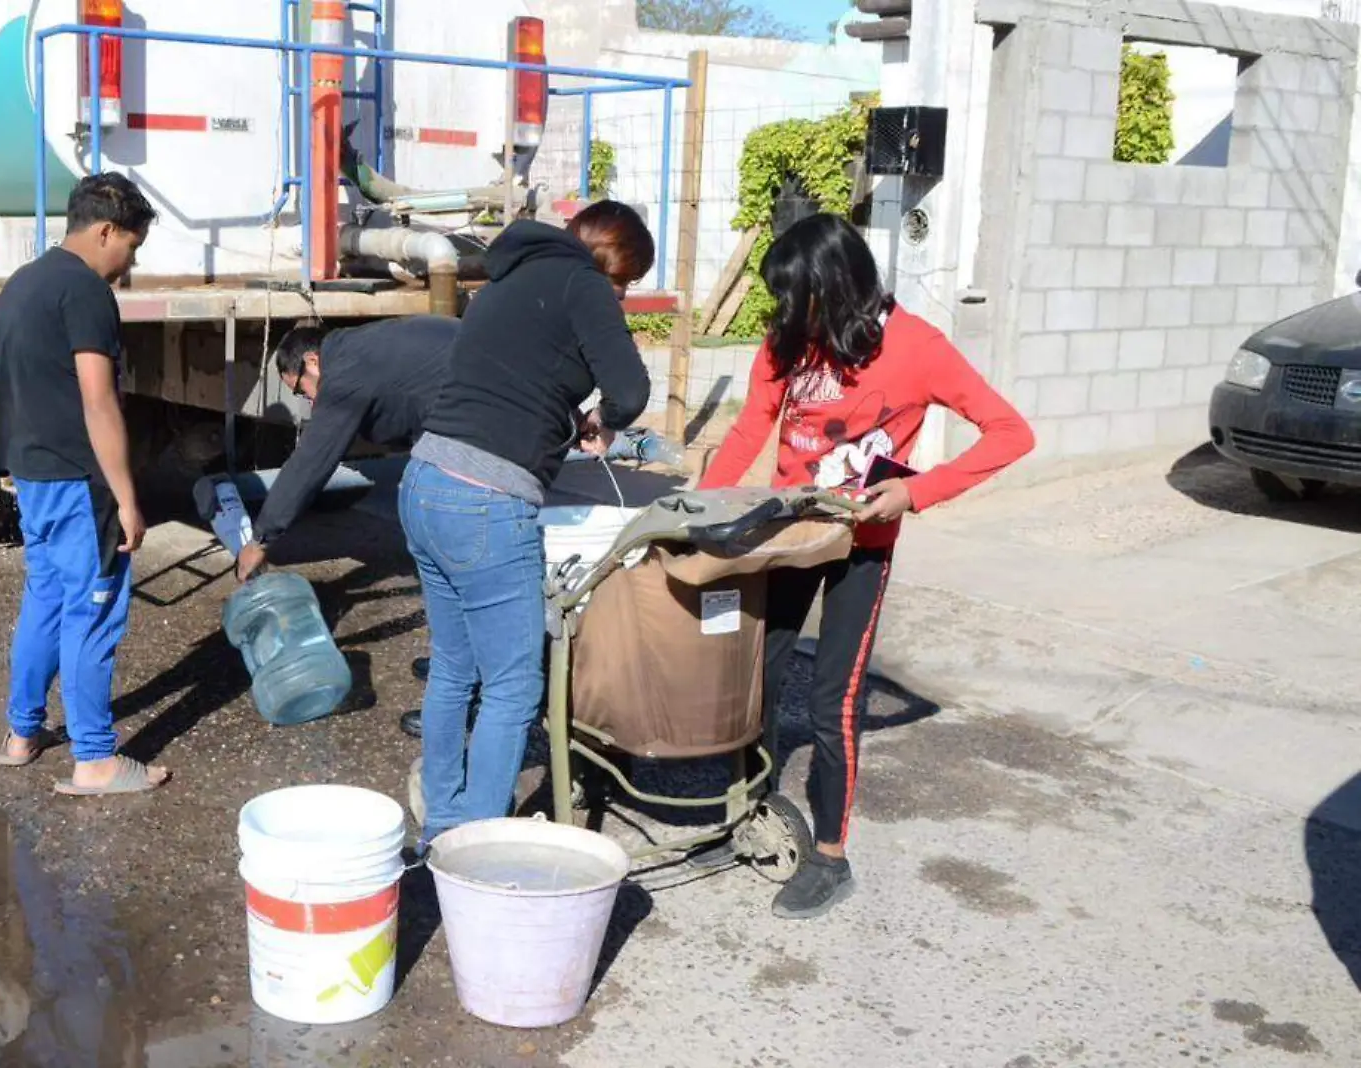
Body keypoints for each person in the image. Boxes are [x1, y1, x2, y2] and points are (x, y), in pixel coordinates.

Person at [692, 214, 1035, 919]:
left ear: (835, 286)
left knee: (832, 701)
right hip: (788, 534)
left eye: (797, 297)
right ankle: (749, 814)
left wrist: (916, 491)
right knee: (756, 674)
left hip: (861, 547)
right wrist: (702, 513)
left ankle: (829, 857)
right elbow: (751, 427)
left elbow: (1011, 432)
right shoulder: (791, 337)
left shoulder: (918, 347)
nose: (786, 314)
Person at [401, 200, 654, 847]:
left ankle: (443, 815)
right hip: (486, 500)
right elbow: (629, 391)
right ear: (613, 262)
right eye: (626, 283)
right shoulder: (585, 284)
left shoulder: (505, 280)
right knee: (514, 685)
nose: (621, 297)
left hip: (423, 481)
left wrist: (570, 423)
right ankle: (474, 843)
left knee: (456, 668)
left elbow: (512, 387)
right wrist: (606, 419)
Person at [0, 172, 170, 797]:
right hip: (78, 481)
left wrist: (7, 460)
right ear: (106, 231)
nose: (129, 263)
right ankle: (94, 758)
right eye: (131, 248)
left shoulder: (21, 284)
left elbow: (9, 382)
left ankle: (22, 734)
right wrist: (126, 496)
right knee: (94, 612)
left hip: (34, 473)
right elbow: (98, 400)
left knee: (45, 600)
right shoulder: (86, 293)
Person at [234, 316, 461, 582]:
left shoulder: (342, 374)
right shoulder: (354, 347)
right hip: (484, 381)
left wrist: (260, 540)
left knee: (432, 504)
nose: (307, 399)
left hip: (475, 407)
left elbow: (311, 462)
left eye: (299, 389)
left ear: (312, 361)